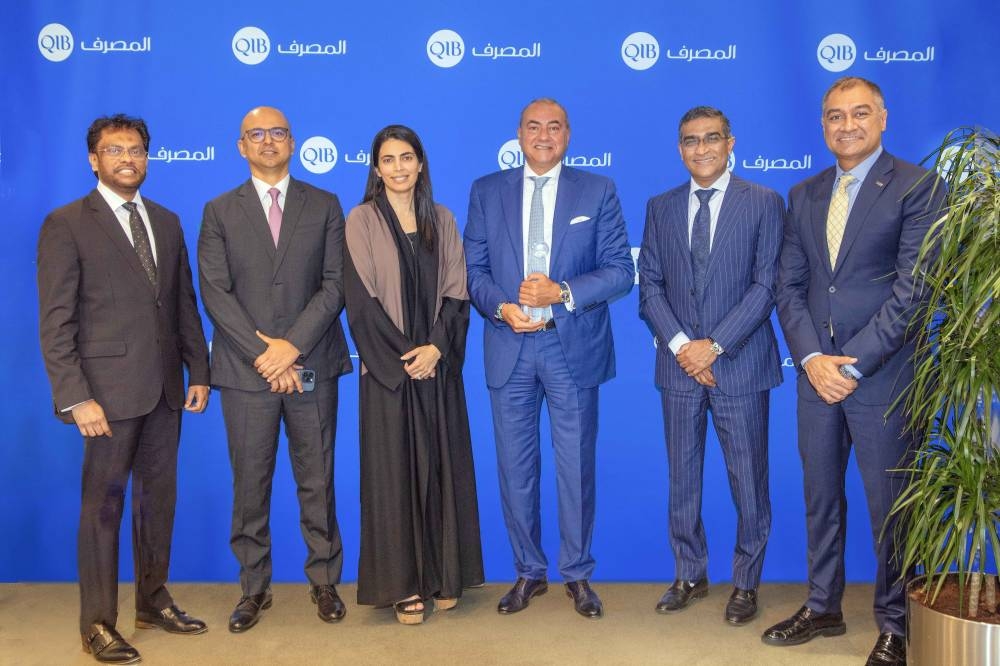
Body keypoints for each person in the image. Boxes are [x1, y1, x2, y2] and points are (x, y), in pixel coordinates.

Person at [765, 77, 944, 666]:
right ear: (823, 125)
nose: (847, 125)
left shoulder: (918, 186)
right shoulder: (804, 194)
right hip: (816, 376)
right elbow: (790, 287)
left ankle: (896, 624)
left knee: (891, 507)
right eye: (836, 116)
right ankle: (823, 606)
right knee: (820, 499)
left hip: (884, 378)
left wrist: (855, 365)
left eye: (860, 113)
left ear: (883, 118)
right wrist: (813, 359)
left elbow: (914, 291)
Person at [37, 114, 211, 664]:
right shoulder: (67, 223)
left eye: (136, 150)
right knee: (103, 508)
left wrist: (199, 370)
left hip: (165, 390)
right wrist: (75, 397)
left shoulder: (166, 221)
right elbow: (56, 322)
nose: (127, 159)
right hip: (105, 396)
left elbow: (182, 304)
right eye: (115, 150)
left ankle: (153, 602)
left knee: (158, 503)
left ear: (147, 158)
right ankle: (97, 623)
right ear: (94, 160)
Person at [464, 98, 634, 619]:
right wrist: (501, 308)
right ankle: (528, 571)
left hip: (570, 346)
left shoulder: (597, 190)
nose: (544, 136)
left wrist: (561, 292)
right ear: (519, 135)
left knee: (576, 466)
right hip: (509, 346)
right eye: (534, 127)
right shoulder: (486, 190)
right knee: (515, 468)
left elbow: (620, 271)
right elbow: (474, 270)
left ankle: (577, 574)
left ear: (568, 134)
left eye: (554, 127)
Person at [198, 106, 353, 633]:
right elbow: (215, 293)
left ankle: (324, 581)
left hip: (311, 365)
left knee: (318, 479)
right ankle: (253, 589)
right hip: (248, 372)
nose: (269, 141)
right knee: (250, 484)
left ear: (293, 142)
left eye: (278, 133)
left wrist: (293, 347)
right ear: (241, 146)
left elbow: (335, 284)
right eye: (257, 134)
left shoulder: (325, 204)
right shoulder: (219, 211)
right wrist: (266, 356)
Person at [638, 106, 783, 626]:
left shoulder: (764, 202)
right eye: (691, 140)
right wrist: (685, 347)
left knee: (749, 482)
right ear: (680, 149)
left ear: (730, 143)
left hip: (740, 366)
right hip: (679, 367)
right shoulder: (660, 206)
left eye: (711, 138)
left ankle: (745, 582)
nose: (701, 149)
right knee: (683, 479)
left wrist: (714, 346)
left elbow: (766, 286)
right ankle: (689, 573)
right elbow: (650, 287)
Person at [343, 125, 484, 625]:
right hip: (389, 375)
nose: (398, 167)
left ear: (420, 163)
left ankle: (444, 575)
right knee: (394, 479)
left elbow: (457, 292)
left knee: (442, 470)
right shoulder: (360, 220)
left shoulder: (442, 219)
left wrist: (436, 349)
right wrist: (408, 356)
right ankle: (402, 586)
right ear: (376, 168)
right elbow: (360, 300)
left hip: (437, 370)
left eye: (407, 157)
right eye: (388, 159)